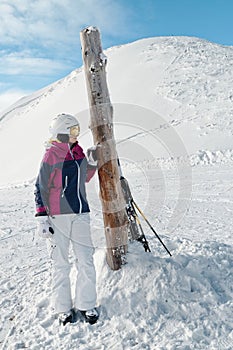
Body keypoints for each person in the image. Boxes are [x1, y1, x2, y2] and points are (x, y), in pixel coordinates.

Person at [34, 113, 99, 325]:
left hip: (80, 212)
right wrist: (42, 217)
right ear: (61, 133)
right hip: (58, 215)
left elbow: (84, 179)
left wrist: (91, 163)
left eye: (77, 130)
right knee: (60, 263)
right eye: (72, 131)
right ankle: (62, 308)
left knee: (86, 260)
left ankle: (86, 304)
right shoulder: (51, 155)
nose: (76, 134)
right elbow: (40, 186)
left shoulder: (78, 151)